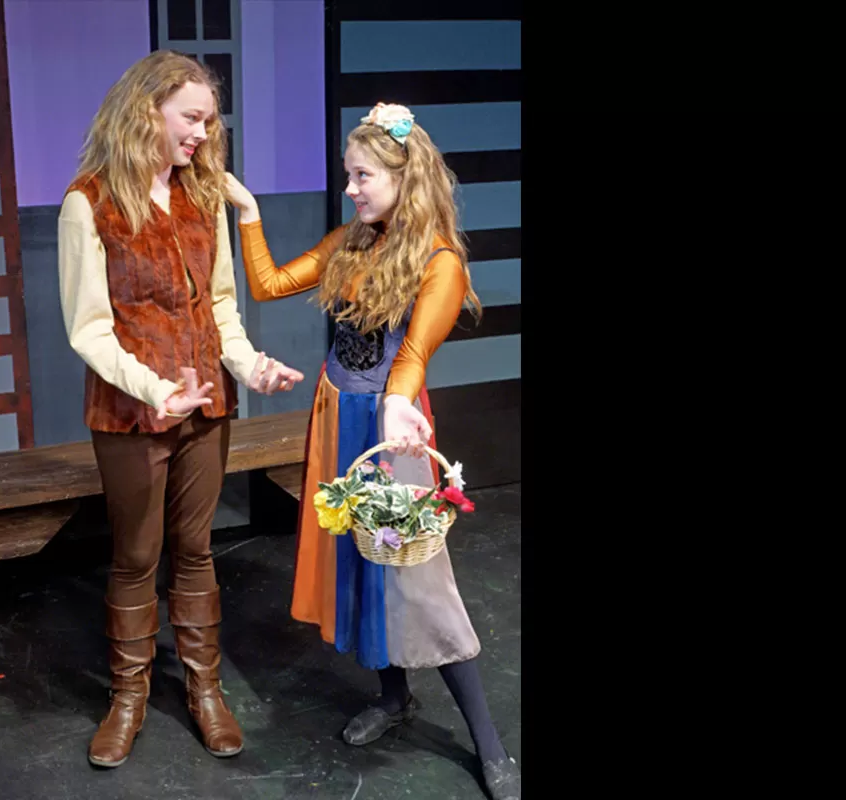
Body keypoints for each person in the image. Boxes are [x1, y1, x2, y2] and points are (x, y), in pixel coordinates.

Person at [223, 103, 521, 798]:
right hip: (336, 420)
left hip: (393, 428)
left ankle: (489, 742)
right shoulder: (350, 243)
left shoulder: (439, 262)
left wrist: (393, 409)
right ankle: (394, 697)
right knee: (364, 560)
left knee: (420, 578)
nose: (350, 188)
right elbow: (268, 284)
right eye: (348, 175)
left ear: (402, 177)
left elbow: (411, 357)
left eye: (362, 176)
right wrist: (248, 212)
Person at [57, 49, 304, 769]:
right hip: (132, 412)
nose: (201, 133)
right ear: (147, 111)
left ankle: (205, 690)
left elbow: (222, 307)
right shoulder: (88, 202)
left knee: (195, 551)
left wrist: (250, 365)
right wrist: (154, 389)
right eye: (190, 118)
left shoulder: (202, 198)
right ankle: (128, 697)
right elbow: (88, 329)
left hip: (207, 407)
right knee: (137, 556)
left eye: (208, 122)